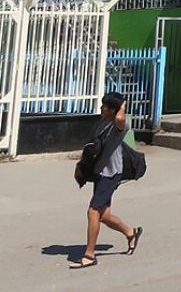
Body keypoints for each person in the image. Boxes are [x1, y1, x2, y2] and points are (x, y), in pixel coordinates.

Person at [69, 92, 141, 269]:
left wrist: (122, 106)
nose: (101, 108)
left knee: (93, 212)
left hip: (111, 174)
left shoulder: (120, 126)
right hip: (100, 173)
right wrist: (81, 165)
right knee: (104, 215)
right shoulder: (102, 122)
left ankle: (89, 255)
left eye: (105, 106)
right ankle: (131, 233)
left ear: (113, 110)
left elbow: (120, 119)